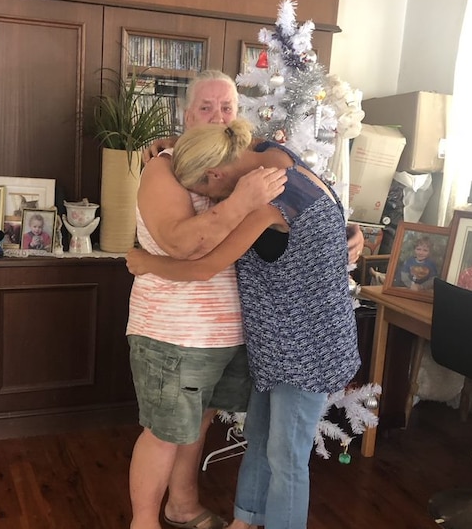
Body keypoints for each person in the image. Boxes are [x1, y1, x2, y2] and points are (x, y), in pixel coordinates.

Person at [127, 119, 360, 529]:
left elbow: (205, 266)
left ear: (216, 176)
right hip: (278, 342)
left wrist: (147, 263)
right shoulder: (274, 156)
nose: (212, 205)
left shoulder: (270, 199)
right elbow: (228, 138)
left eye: (206, 195)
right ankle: (244, 521)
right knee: (263, 440)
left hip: (306, 348)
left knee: (287, 457)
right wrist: (172, 141)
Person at [128, 70, 288, 529]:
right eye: (206, 107)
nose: (217, 116)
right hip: (171, 333)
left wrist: (348, 235)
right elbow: (181, 244)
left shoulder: (246, 165)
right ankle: (143, 523)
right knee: (163, 433)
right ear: (186, 114)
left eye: (227, 108)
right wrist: (242, 201)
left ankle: (182, 506)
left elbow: (304, 196)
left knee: (196, 428)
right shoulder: (166, 167)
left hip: (227, 332)